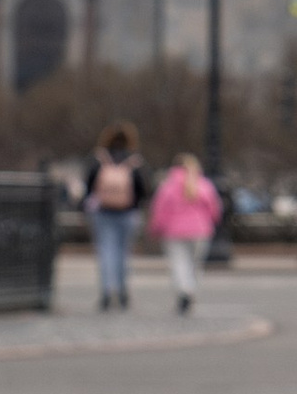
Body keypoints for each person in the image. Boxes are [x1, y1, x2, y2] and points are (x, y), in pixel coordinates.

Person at [147, 151, 222, 315]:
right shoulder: (203, 184)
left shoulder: (168, 185)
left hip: (174, 231)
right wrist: (212, 223)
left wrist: (155, 228)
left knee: (179, 264)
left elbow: (159, 210)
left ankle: (184, 291)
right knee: (195, 264)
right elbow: (214, 208)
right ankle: (191, 290)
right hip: (200, 231)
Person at [86, 124, 145, 312]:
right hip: (127, 212)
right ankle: (121, 290)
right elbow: (142, 188)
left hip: (103, 212)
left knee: (106, 251)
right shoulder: (134, 161)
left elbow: (89, 185)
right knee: (123, 253)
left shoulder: (99, 159)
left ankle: (106, 290)